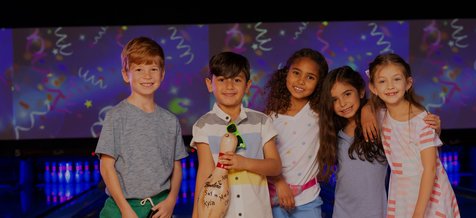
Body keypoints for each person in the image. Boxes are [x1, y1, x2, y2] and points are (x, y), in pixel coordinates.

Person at [317, 66, 442, 218]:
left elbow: (414, 138)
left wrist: (435, 129)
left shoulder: (380, 121)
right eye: (334, 100)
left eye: (347, 94)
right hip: (342, 213)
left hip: (379, 213)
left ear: (361, 91)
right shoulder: (334, 133)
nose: (342, 103)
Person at [95, 36, 188, 218]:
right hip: (121, 208)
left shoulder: (170, 121)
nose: (147, 76)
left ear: (162, 74)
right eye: (139, 69)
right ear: (125, 74)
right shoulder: (116, 116)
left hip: (159, 208)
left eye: (153, 69)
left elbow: (176, 166)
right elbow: (106, 166)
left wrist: (171, 201)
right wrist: (125, 210)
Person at [367, 53, 460, 218]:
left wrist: (418, 214)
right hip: (401, 192)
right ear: (373, 88)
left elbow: (430, 169)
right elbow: (366, 105)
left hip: (429, 192)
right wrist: (364, 112)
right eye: (382, 81)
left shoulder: (422, 120)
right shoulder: (380, 115)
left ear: (408, 83)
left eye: (396, 79)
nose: (390, 86)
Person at [191, 51, 282, 218]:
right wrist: (196, 215)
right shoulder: (203, 125)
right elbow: (205, 173)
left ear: (247, 86)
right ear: (209, 84)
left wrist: (243, 162)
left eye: (237, 80)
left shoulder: (262, 121)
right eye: (221, 80)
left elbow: (275, 167)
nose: (229, 86)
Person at [264, 48, 329, 217]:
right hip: (273, 199)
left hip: (308, 200)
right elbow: (264, 158)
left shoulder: (320, 113)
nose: (301, 81)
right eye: (296, 73)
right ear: (286, 74)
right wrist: (279, 183)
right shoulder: (270, 117)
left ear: (319, 83)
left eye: (310, 77)